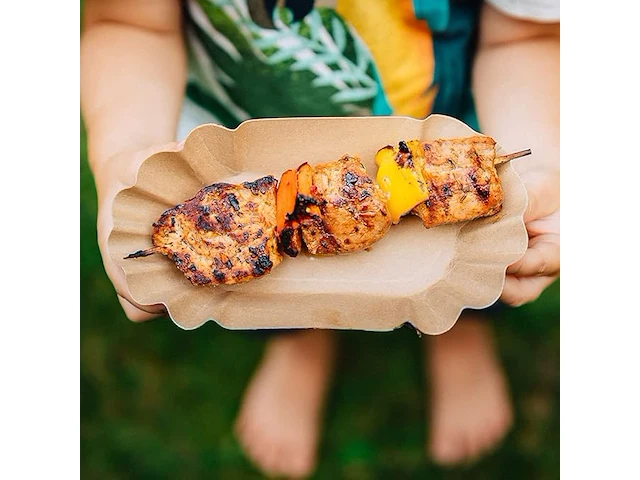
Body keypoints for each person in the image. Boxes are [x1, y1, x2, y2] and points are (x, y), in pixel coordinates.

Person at [81, 0, 559, 477]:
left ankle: (458, 328)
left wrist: (543, 167)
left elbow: (525, 35)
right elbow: (127, 21)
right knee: (273, 295)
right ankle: (301, 340)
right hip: (224, 138)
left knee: (472, 262)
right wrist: (124, 150)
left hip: (456, 104)